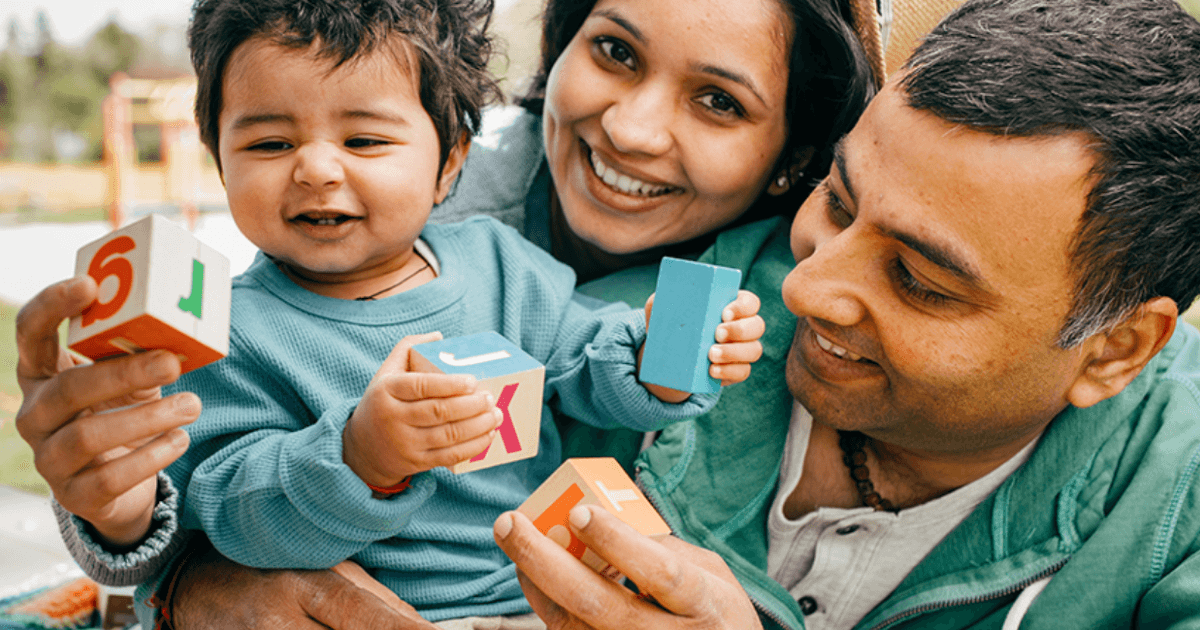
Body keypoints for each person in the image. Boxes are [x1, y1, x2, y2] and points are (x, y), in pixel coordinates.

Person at [14, 0, 874, 627]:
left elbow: (581, 362)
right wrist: (357, 457)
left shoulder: (503, 268)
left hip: (527, 603)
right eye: (269, 142)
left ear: (449, 159)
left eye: (364, 141)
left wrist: (662, 356)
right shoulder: (230, 334)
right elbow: (219, 507)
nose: (315, 169)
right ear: (218, 157)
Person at [490, 0, 1200, 628]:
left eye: (919, 280)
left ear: (1116, 350)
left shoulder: (1181, 511)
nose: (806, 289)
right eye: (837, 200)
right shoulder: (615, 340)